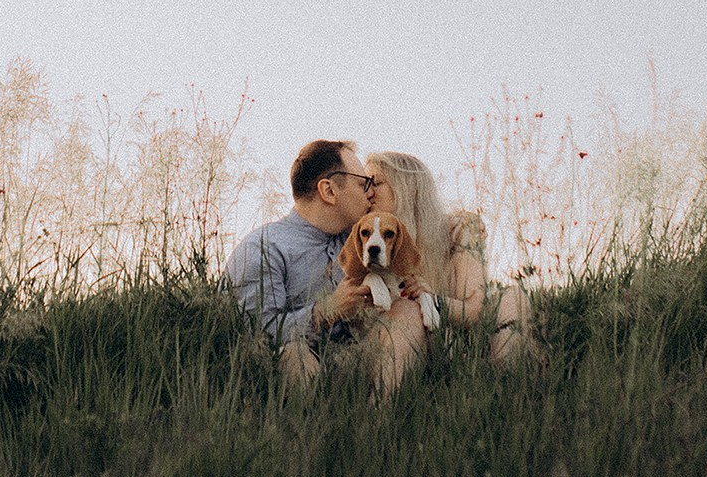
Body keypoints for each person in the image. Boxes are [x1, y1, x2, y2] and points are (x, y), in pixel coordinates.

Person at [225, 138, 428, 392]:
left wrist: (459, 228)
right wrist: (325, 311)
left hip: (362, 360)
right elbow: (257, 333)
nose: (369, 193)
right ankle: (316, 427)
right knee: (293, 356)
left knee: (408, 312)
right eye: (362, 183)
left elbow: (410, 228)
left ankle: (381, 423)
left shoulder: (360, 238)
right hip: (301, 370)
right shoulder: (264, 247)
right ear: (329, 191)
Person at [365, 149, 541, 365]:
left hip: (455, 337)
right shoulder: (366, 240)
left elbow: (474, 309)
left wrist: (431, 299)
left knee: (512, 298)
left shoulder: (457, 229)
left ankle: (509, 385)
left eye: (376, 183)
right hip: (404, 341)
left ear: (406, 187)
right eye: (366, 184)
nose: (368, 193)